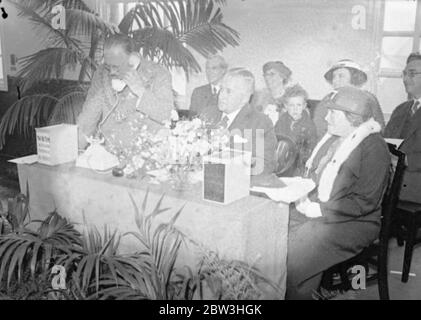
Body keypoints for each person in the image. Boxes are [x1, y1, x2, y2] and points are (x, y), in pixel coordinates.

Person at [286, 86, 390, 300]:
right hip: (333, 213)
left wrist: (321, 209)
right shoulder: (339, 139)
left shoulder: (374, 148)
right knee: (277, 229)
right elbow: (320, 178)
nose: (325, 116)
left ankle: (299, 291)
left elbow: (364, 203)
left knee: (298, 253)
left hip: (358, 222)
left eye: (332, 112)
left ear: (353, 118)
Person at [77, 34, 174, 150]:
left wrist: (140, 90)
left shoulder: (158, 74)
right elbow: (87, 120)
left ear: (132, 59)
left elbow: (166, 115)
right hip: (110, 156)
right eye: (108, 66)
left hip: (146, 156)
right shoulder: (102, 73)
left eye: (117, 66)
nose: (112, 72)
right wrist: (72, 154)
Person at [216, 68, 277, 176]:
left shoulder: (259, 123)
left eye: (228, 91)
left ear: (245, 98)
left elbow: (263, 166)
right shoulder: (207, 114)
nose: (221, 96)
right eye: (221, 89)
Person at [313, 59, 386, 140]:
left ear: (354, 78)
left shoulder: (368, 98)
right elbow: (318, 126)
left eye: (341, 76)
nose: (335, 80)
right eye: (334, 77)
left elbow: (379, 128)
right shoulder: (327, 99)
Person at [385, 52, 421, 172]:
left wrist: (404, 160)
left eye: (412, 74)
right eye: (404, 74)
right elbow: (386, 142)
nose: (405, 79)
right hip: (394, 185)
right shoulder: (400, 110)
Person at [274, 84, 317, 175]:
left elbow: (311, 148)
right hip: (282, 160)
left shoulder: (309, 125)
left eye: (298, 105)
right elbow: (275, 139)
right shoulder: (281, 121)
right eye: (291, 105)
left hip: (299, 163)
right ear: (285, 106)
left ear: (304, 106)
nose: (295, 109)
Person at [252, 61, 292, 125]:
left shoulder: (293, 98)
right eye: (265, 75)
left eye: (272, 74)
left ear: (282, 77)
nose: (267, 78)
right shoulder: (259, 97)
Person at [189, 55, 227, 123]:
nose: (209, 72)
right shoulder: (198, 92)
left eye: (214, 68)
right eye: (207, 68)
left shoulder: (230, 92)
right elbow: (191, 119)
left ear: (223, 70)